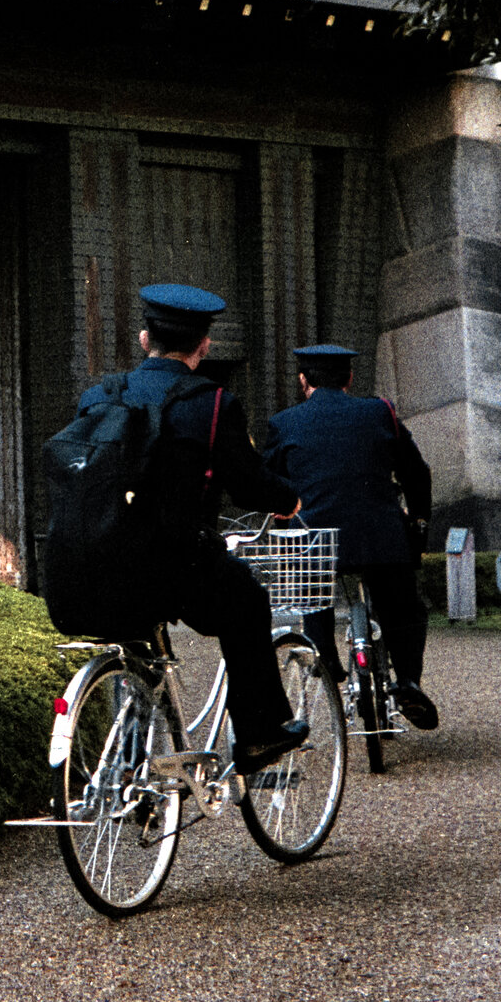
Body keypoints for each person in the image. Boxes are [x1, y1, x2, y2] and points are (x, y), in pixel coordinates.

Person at [84, 284, 308, 773]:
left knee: (137, 640)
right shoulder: (212, 404)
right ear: (204, 346)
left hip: (94, 563)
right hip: (175, 566)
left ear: (146, 339)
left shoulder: (99, 396)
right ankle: (258, 735)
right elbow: (249, 485)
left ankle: (128, 763)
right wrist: (287, 499)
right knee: (246, 599)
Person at [263, 343, 441, 730]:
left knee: (311, 582)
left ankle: (324, 654)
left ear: (303, 381)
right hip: (381, 538)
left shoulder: (284, 423)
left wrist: (283, 507)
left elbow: (270, 481)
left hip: (316, 540)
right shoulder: (380, 412)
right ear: (350, 379)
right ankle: (408, 681)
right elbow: (416, 471)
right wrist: (419, 520)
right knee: (403, 607)